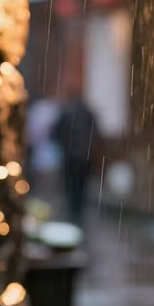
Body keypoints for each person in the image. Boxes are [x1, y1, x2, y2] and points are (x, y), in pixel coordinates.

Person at [51, 95, 100, 226]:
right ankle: (78, 214)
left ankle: (73, 213)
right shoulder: (88, 115)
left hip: (71, 157)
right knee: (81, 188)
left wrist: (65, 146)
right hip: (84, 157)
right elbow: (95, 134)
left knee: (71, 187)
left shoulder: (66, 114)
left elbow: (55, 133)